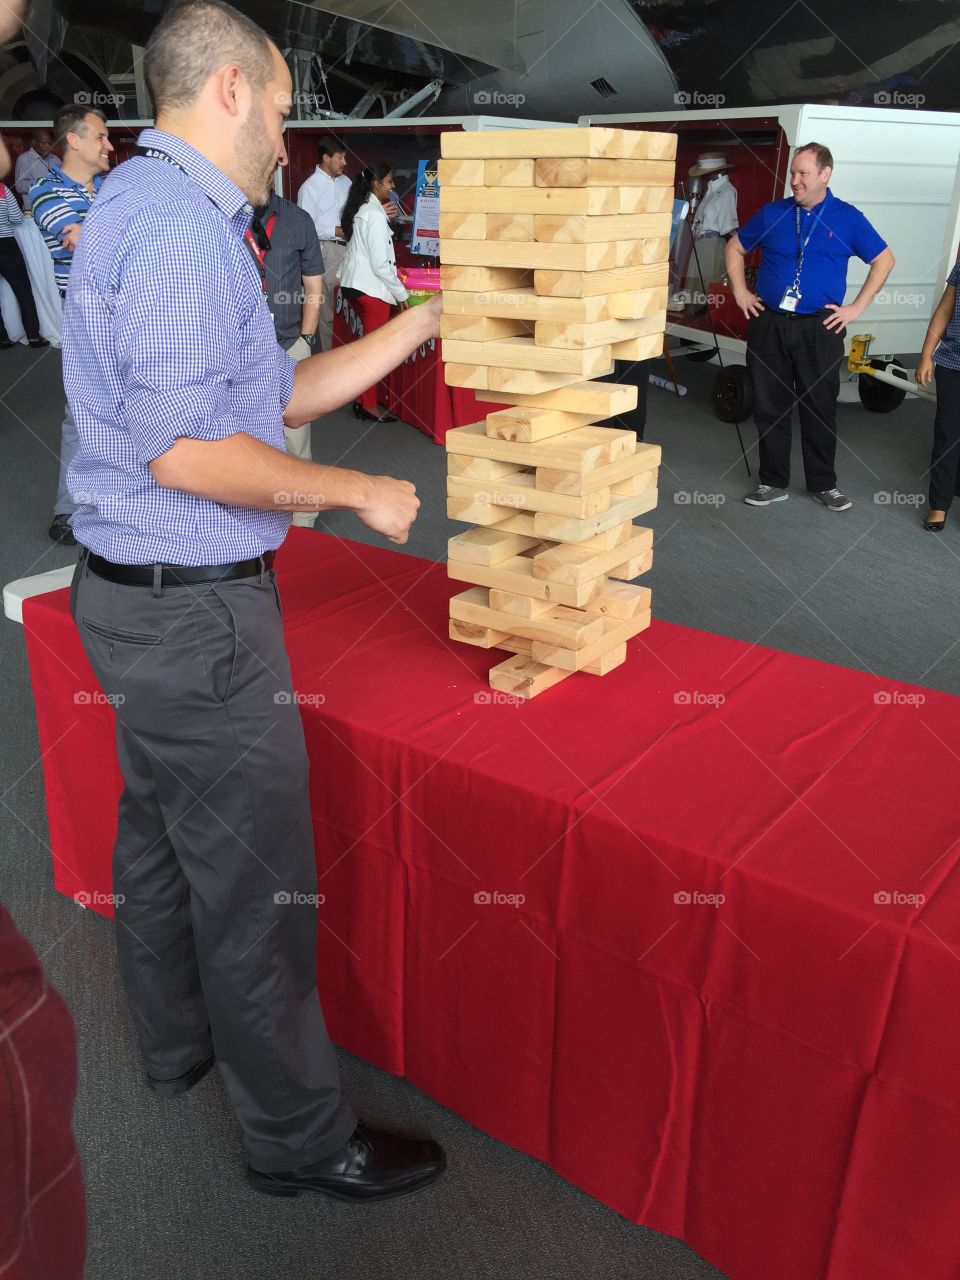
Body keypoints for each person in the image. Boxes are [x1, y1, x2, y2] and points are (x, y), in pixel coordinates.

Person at [66, 0, 445, 1202]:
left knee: (159, 836)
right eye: (281, 107)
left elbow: (267, 394)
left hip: (129, 599)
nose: (288, 136)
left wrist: (426, 321)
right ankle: (298, 1136)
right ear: (229, 87)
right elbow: (187, 449)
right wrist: (356, 491)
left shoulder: (143, 199)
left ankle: (174, 1045)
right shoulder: (183, 227)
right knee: (256, 885)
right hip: (195, 617)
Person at [726, 142, 894, 512]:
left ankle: (823, 485)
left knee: (819, 407)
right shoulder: (773, 213)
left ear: (825, 174)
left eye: (803, 173)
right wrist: (739, 291)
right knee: (769, 405)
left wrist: (856, 308)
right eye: (792, 173)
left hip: (820, 329)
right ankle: (772, 482)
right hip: (770, 324)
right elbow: (734, 247)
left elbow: (884, 260)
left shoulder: (847, 218)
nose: (795, 180)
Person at [29, 104, 113, 545]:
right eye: (101, 136)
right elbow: (80, 241)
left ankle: (128, 504)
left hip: (135, 317)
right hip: (88, 320)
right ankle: (69, 511)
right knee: (83, 415)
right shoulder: (46, 190)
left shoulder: (114, 186)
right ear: (74, 140)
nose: (109, 145)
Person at [253, 177, 325, 526]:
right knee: (248, 438)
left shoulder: (298, 220)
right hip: (241, 352)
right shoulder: (219, 218)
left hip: (289, 346)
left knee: (296, 439)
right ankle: (258, 517)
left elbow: (313, 285)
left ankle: (304, 520)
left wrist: (306, 340)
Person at [338, 161, 409, 422]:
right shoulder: (375, 215)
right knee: (374, 352)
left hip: (354, 286)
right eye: (389, 181)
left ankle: (362, 400)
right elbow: (381, 265)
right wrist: (402, 295)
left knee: (367, 347)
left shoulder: (365, 209)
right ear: (377, 184)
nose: (392, 186)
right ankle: (368, 404)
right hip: (370, 291)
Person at [916, 261, 960, 531]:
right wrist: (926, 354)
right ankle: (939, 505)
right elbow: (945, 309)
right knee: (947, 435)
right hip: (954, 362)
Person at [296, 134, 351, 351]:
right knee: (328, 312)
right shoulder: (309, 188)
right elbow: (305, 228)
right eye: (340, 157)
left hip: (351, 250)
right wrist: (337, 230)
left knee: (348, 309)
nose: (345, 162)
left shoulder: (347, 182)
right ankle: (330, 357)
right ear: (326, 158)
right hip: (326, 252)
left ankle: (350, 356)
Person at [0, 179, 48, 348]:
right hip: (6, 243)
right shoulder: (2, 189)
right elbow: (17, 218)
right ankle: (33, 336)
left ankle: (2, 339)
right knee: (23, 291)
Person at [14, 127, 54, 199]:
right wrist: (41, 184)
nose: (48, 146)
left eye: (49, 143)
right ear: (34, 142)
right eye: (44, 143)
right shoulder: (24, 159)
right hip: (34, 205)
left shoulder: (55, 159)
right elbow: (19, 186)